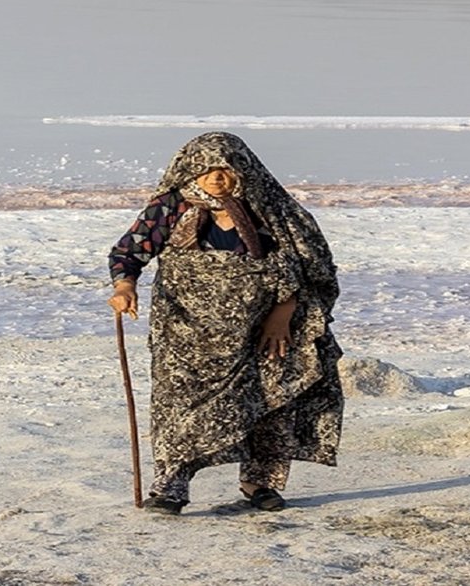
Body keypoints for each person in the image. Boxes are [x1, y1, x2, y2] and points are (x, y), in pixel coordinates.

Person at [107, 131, 343, 515]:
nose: (216, 176)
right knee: (178, 403)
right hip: (184, 332)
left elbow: (305, 265)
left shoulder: (269, 210)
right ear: (190, 169)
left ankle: (260, 483)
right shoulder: (170, 207)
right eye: (206, 168)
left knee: (271, 398)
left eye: (225, 168)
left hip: (262, 330)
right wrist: (124, 286)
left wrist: (281, 316)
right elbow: (129, 252)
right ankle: (170, 487)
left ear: (242, 169)